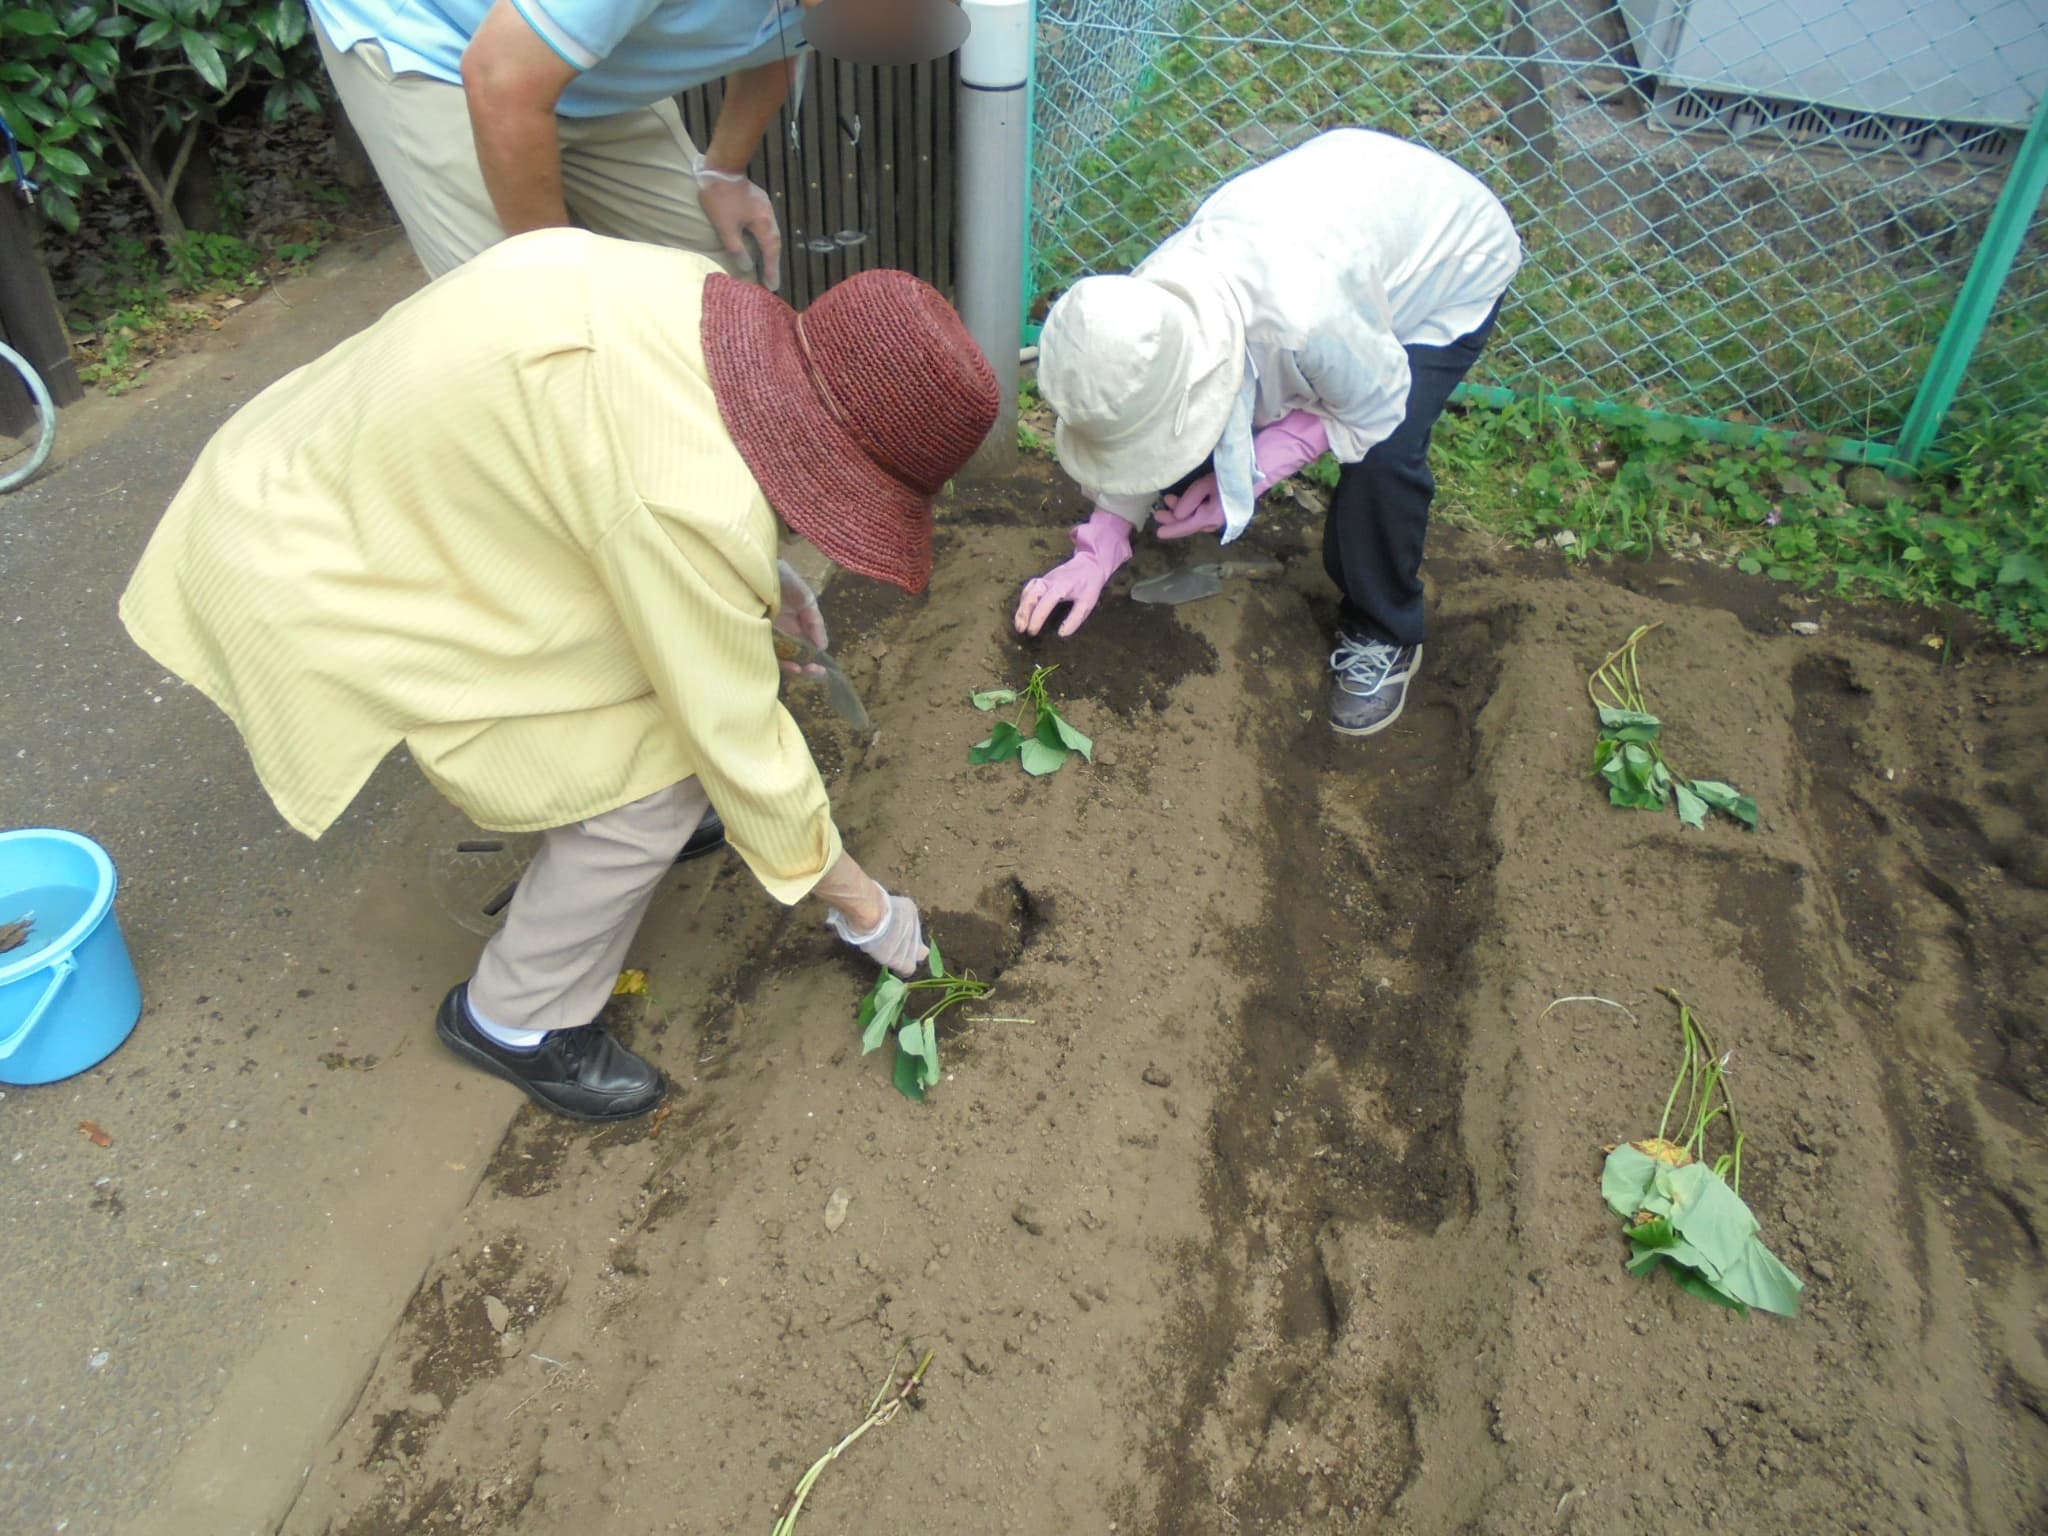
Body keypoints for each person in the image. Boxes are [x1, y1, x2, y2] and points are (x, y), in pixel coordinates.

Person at [118, 229, 999, 1122]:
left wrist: (745, 597)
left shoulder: (681, 288)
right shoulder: (692, 499)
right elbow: (734, 734)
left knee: (674, 694)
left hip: (319, 465)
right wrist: (866, 908)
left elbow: (605, 478)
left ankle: (659, 839)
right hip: (322, 566)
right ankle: (514, 1020)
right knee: (650, 785)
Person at [1014, 127, 1523, 737]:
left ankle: (1385, 630)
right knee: (1224, 421)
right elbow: (1142, 414)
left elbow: (1378, 402)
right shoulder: (1142, 305)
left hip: (1446, 258)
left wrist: (1258, 467)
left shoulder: (1309, 320)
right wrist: (1101, 543)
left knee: (1384, 460)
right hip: (1343, 201)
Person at [307, 0, 823, 285]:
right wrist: (554, 290)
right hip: (436, 38)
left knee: (715, 287)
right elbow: (501, 77)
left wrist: (725, 171)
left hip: (582, 46)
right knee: (510, 327)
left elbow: (787, 35)